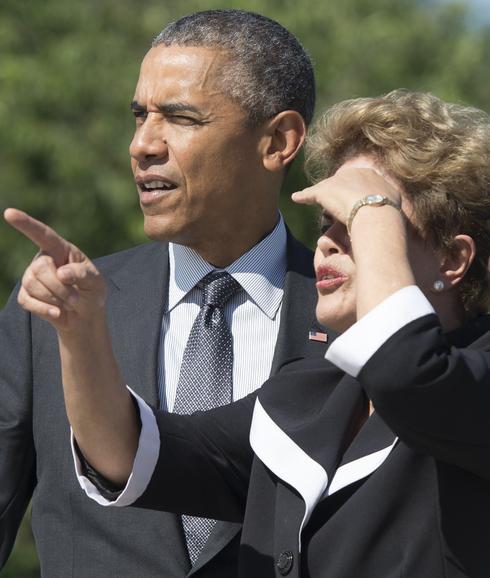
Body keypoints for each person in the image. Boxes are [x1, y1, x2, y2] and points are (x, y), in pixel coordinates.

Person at [8, 89, 490, 577]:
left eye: (361, 221)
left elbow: (411, 377)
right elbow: (130, 452)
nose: (326, 242)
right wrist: (81, 329)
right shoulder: (310, 391)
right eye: (328, 221)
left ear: (452, 260)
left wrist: (373, 209)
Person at [0, 10, 330, 578]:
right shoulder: (51, 313)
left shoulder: (358, 324)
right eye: (139, 116)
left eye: (180, 118)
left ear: (279, 141)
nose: (142, 144)